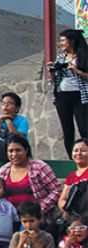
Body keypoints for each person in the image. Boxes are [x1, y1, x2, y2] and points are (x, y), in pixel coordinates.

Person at [0, 134, 61, 219]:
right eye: (10, 151)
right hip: (9, 218)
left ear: (26, 150)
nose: (14, 154)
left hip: (36, 219)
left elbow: (57, 190)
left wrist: (39, 209)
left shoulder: (39, 167)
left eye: (18, 150)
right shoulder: (3, 171)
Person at [49, 29, 88, 159]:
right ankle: (72, 159)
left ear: (71, 41)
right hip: (62, 95)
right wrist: (53, 71)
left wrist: (76, 70)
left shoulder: (84, 55)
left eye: (63, 40)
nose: (60, 43)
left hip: (80, 95)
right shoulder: (61, 57)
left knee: (84, 128)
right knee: (67, 129)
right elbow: (56, 79)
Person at [0, 92, 30, 176]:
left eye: (10, 104)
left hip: (18, 151)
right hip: (3, 151)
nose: (6, 106)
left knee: (12, 137)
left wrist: (8, 121)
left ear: (17, 108)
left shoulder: (22, 120)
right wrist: (0, 121)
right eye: (3, 103)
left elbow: (18, 138)